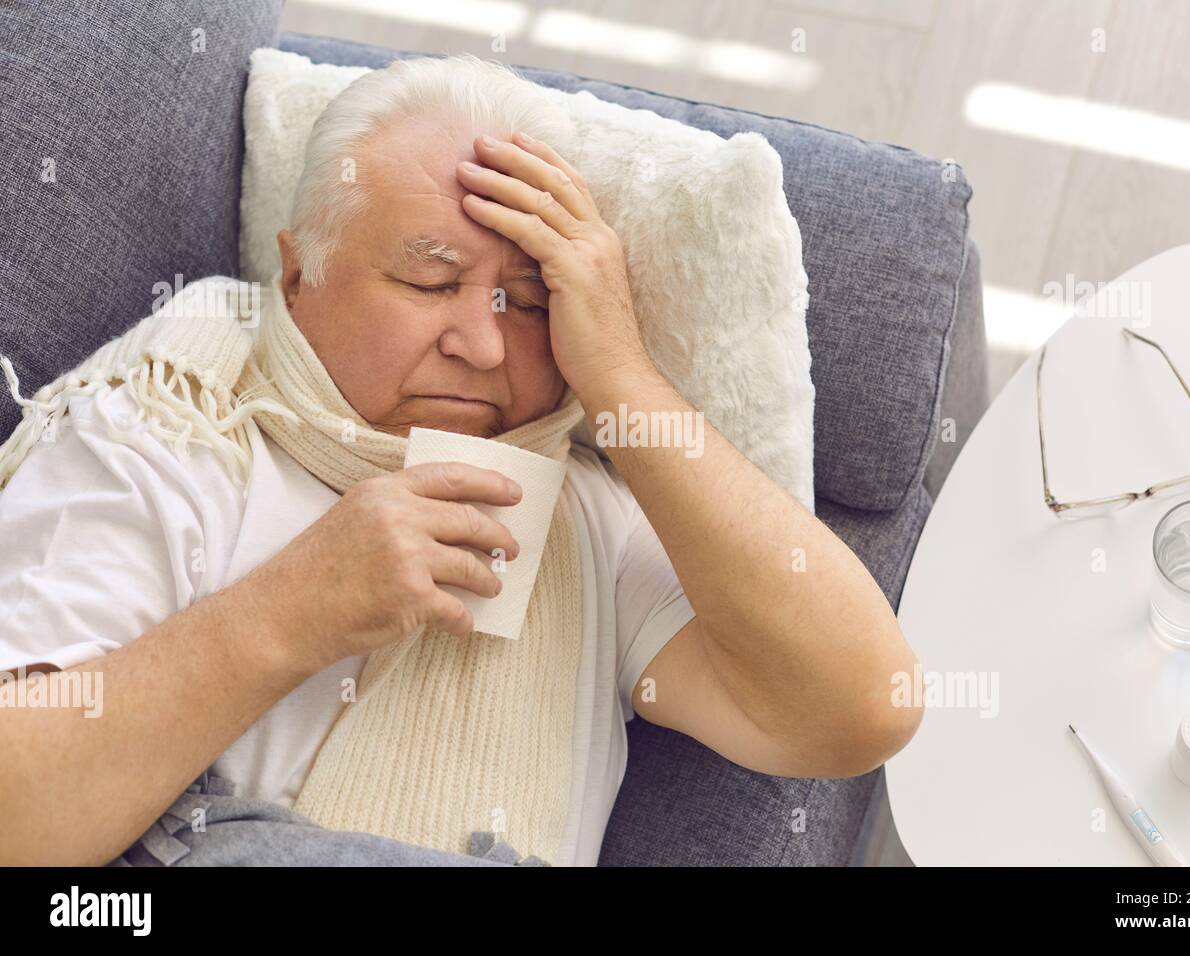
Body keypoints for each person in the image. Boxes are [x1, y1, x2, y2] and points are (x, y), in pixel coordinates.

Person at [0, 54, 921, 867]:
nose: (483, 347)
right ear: (297, 274)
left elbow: (862, 708)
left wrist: (621, 375)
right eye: (430, 281)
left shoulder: (578, 509)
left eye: (528, 302)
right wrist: (293, 609)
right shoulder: (173, 421)